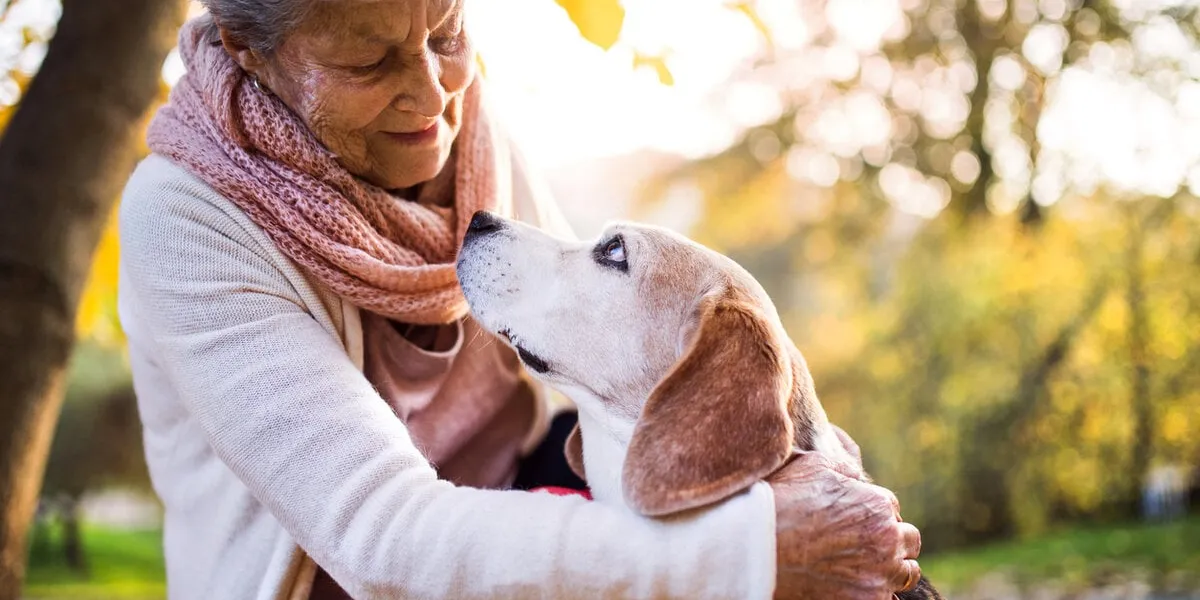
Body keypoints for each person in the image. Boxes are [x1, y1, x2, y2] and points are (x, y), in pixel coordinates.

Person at [116, 1, 923, 598]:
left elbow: (599, 351)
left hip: (540, 498)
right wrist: (753, 553)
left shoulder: (468, 127)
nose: (434, 98)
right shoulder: (184, 219)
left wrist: (810, 482)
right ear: (248, 54)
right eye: (368, 63)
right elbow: (382, 537)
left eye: (447, 34)